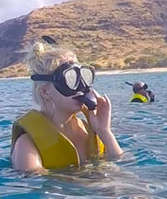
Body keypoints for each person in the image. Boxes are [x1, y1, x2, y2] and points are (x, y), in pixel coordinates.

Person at [11, 38, 123, 171]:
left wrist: (105, 132)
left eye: (84, 77)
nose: (81, 87)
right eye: (71, 80)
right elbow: (36, 186)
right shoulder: (26, 145)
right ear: (45, 92)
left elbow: (121, 165)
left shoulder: (89, 129)